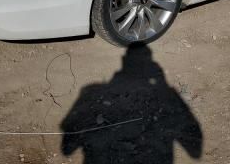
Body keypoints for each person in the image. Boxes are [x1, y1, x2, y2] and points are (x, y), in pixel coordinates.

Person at [61, 44, 202, 163]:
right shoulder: (167, 95)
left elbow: (67, 148)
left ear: (124, 60)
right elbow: (195, 151)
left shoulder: (92, 91)